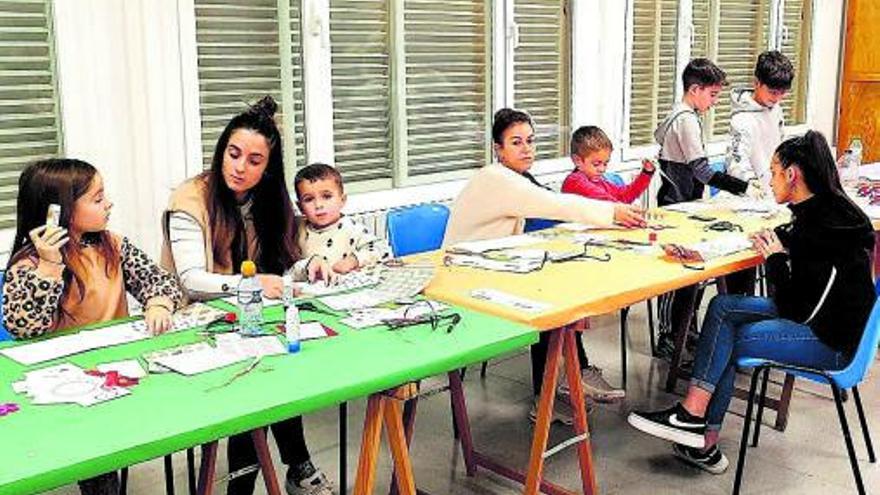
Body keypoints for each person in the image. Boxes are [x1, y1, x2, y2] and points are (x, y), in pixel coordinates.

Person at [628, 131, 875, 475]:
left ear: (793, 174)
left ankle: (698, 430)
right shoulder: (827, 212)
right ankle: (694, 425)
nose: (768, 180)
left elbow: (798, 308)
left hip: (829, 340)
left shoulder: (819, 227)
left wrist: (775, 258)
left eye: (774, 171)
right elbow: (806, 247)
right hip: (827, 321)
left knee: (724, 340)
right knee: (723, 307)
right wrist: (779, 241)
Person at [160, 96, 333, 495]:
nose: (240, 167)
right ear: (221, 152)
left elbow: (280, 266)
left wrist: (308, 267)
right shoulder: (190, 199)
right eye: (233, 154)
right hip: (194, 321)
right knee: (257, 384)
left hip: (249, 318)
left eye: (254, 161)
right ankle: (290, 470)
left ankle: (291, 469)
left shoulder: (271, 202)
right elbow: (189, 279)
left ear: (268, 167)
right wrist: (250, 285)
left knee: (279, 370)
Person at [445, 108, 645, 422]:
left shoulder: (516, 177)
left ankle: (568, 381)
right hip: (465, 279)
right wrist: (613, 212)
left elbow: (545, 200)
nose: (526, 149)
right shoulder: (496, 178)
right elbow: (556, 203)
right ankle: (555, 392)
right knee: (548, 301)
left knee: (560, 288)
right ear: (499, 149)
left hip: (490, 266)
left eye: (530, 141)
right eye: (516, 142)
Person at [3, 158, 185, 494]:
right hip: (65, 387)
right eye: (98, 198)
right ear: (62, 212)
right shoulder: (28, 264)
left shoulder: (112, 245)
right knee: (98, 459)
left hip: (118, 372)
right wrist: (49, 265)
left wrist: (158, 301)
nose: (109, 203)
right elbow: (25, 328)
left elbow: (159, 281)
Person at [654, 58, 764, 360]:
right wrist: (742, 187)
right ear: (695, 89)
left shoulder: (683, 114)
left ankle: (684, 330)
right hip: (676, 204)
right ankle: (668, 335)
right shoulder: (685, 119)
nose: (715, 102)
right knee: (678, 276)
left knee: (692, 272)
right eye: (712, 95)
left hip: (685, 202)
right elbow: (702, 170)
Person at [723, 50, 795, 296]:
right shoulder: (742, 119)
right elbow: (734, 163)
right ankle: (741, 309)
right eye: (773, 92)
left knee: (781, 250)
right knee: (745, 266)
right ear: (757, 83)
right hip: (750, 201)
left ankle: (775, 312)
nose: (777, 98)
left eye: (782, 93)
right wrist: (752, 185)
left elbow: (780, 148)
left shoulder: (776, 110)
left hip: (774, 196)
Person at [290, 163, 391, 279]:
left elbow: (383, 250)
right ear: (300, 207)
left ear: (342, 200)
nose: (318, 205)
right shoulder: (297, 231)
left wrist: (355, 260)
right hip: (311, 291)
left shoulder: (352, 228)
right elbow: (288, 270)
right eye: (309, 199)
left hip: (348, 289)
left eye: (327, 196)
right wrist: (306, 267)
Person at [561, 125, 654, 203]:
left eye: (605, 164)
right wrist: (622, 209)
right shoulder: (574, 181)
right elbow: (603, 200)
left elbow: (625, 196)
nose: (602, 169)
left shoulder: (601, 182)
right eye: (596, 164)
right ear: (578, 161)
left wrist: (646, 173)